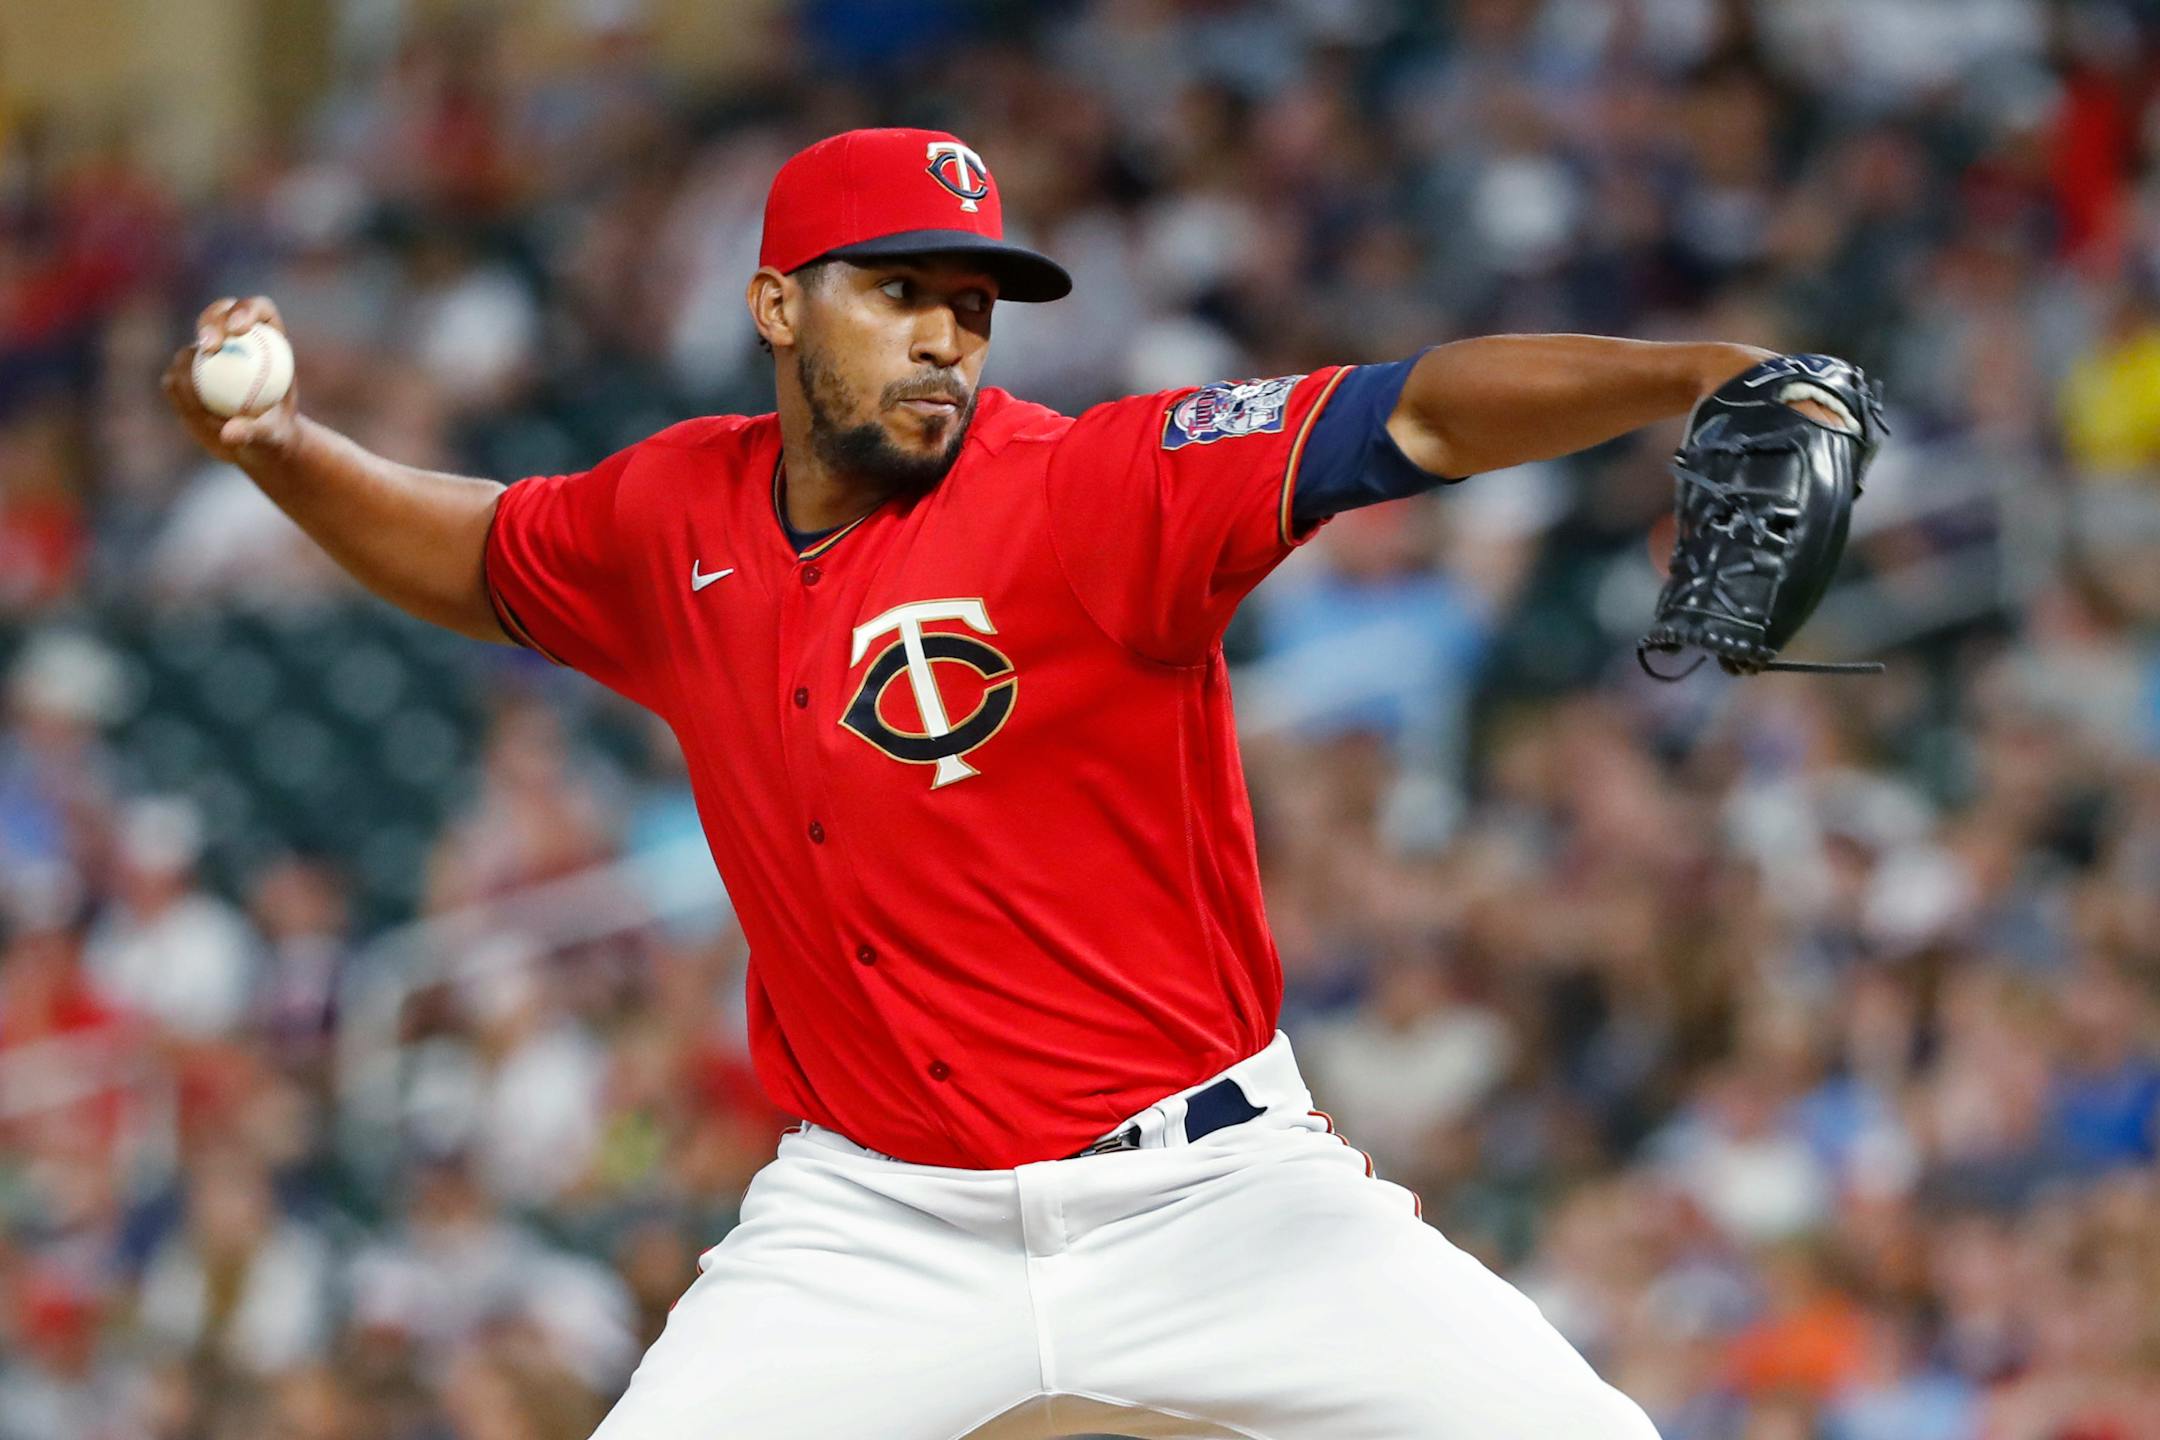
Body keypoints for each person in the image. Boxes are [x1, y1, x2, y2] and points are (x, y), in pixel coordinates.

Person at [164, 127, 1842, 1440]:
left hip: (1210, 1192)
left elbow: (1407, 418)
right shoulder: (674, 513)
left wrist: (1683, 373)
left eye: (970, 307)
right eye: (897, 290)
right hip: (872, 1219)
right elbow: (473, 555)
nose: (945, 340)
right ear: (773, 304)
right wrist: (282, 449)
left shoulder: (1094, 487)